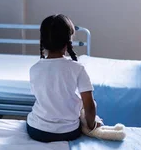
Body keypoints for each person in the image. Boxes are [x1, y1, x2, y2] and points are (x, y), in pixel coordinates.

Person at [26, 14, 101, 143]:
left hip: (37, 131)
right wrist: (92, 126)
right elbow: (89, 106)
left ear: (43, 41)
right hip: (68, 132)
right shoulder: (77, 68)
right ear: (68, 41)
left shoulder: (34, 69)